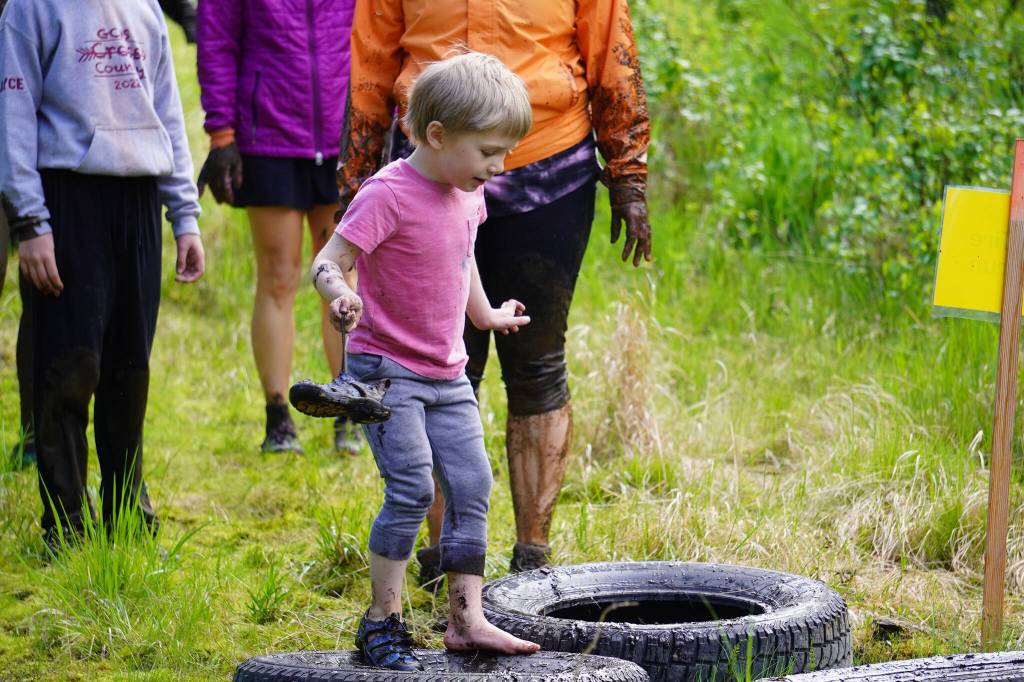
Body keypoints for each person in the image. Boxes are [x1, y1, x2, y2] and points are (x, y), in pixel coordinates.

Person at [338, 0, 651, 576]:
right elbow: (372, 62)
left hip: (550, 166)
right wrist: (356, 178)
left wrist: (628, 174)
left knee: (538, 364)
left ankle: (533, 558)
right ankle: (437, 559)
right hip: (427, 175)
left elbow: (613, 51)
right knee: (431, 367)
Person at [311, 53, 541, 670]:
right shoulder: (387, 193)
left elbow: (461, 259)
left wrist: (485, 315)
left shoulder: (469, 194)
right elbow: (328, 261)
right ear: (436, 136)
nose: (499, 165)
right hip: (386, 373)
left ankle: (467, 621)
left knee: (472, 485)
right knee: (412, 489)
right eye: (489, 150)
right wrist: (341, 294)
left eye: (505, 151)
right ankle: (381, 621)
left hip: (448, 371)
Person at [0, 0, 205, 545]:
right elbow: (13, 119)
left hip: (136, 199)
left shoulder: (145, 10)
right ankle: (65, 523)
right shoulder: (30, 10)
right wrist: (30, 221)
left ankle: (125, 511)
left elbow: (168, 114)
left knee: (128, 366)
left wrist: (184, 216)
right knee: (69, 367)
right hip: (67, 196)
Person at [196, 0, 359, 454]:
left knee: (343, 276)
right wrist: (222, 136)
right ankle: (278, 418)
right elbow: (217, 44)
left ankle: (348, 406)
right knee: (279, 276)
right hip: (268, 137)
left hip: (343, 133)